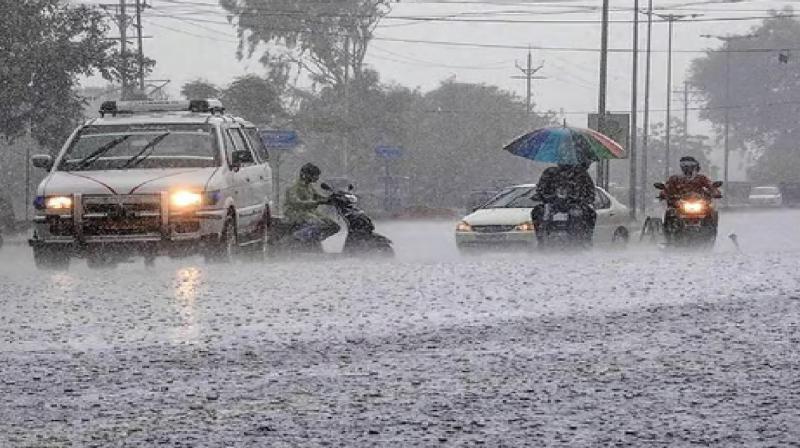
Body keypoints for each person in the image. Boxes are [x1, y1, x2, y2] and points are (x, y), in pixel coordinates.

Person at [531, 158, 596, 245]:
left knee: (590, 214)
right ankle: (541, 240)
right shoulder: (550, 173)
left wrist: (580, 200)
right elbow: (541, 190)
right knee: (536, 212)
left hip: (574, 205)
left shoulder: (581, 174)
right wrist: (546, 197)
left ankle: (585, 240)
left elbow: (590, 193)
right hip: (553, 205)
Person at [660, 156, 721, 240]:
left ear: (695, 166)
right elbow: (667, 188)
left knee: (711, 211)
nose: (687, 167)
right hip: (679, 205)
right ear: (681, 166)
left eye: (690, 164)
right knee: (670, 212)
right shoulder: (675, 179)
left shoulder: (701, 178)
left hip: (699, 204)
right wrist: (664, 193)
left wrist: (715, 192)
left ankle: (711, 234)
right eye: (684, 164)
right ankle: (669, 234)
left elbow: (710, 186)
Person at [283, 163, 340, 243]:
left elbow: (317, 196)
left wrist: (330, 199)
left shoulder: (309, 186)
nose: (317, 178)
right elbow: (296, 203)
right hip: (296, 213)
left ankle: (313, 240)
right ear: (306, 175)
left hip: (310, 212)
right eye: (315, 175)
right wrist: (316, 203)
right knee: (319, 224)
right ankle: (295, 238)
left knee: (334, 226)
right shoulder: (293, 186)